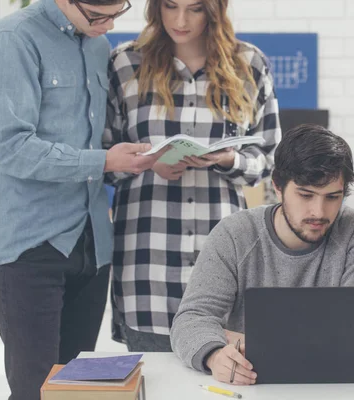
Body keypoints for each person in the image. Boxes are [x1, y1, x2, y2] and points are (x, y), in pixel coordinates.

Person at [0, 0, 164, 398]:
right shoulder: (11, 41)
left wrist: (131, 160)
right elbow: (11, 148)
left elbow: (90, 140)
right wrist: (103, 160)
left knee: (77, 390)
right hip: (30, 245)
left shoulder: (96, 44)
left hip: (91, 244)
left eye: (117, 12)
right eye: (98, 16)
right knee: (34, 391)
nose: (108, 25)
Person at [103, 0, 281, 352]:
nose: (180, 20)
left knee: (223, 382)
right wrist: (148, 162)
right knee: (154, 385)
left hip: (222, 263)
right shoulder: (125, 63)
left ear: (215, 10)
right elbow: (104, 156)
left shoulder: (250, 65)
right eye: (170, 6)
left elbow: (269, 159)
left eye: (195, 9)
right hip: (147, 265)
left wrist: (228, 159)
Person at [170, 124, 354, 385]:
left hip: (334, 387)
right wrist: (215, 353)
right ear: (278, 187)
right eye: (305, 195)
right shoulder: (234, 234)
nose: (319, 211)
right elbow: (191, 319)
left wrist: (238, 337)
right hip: (253, 385)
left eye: (333, 197)